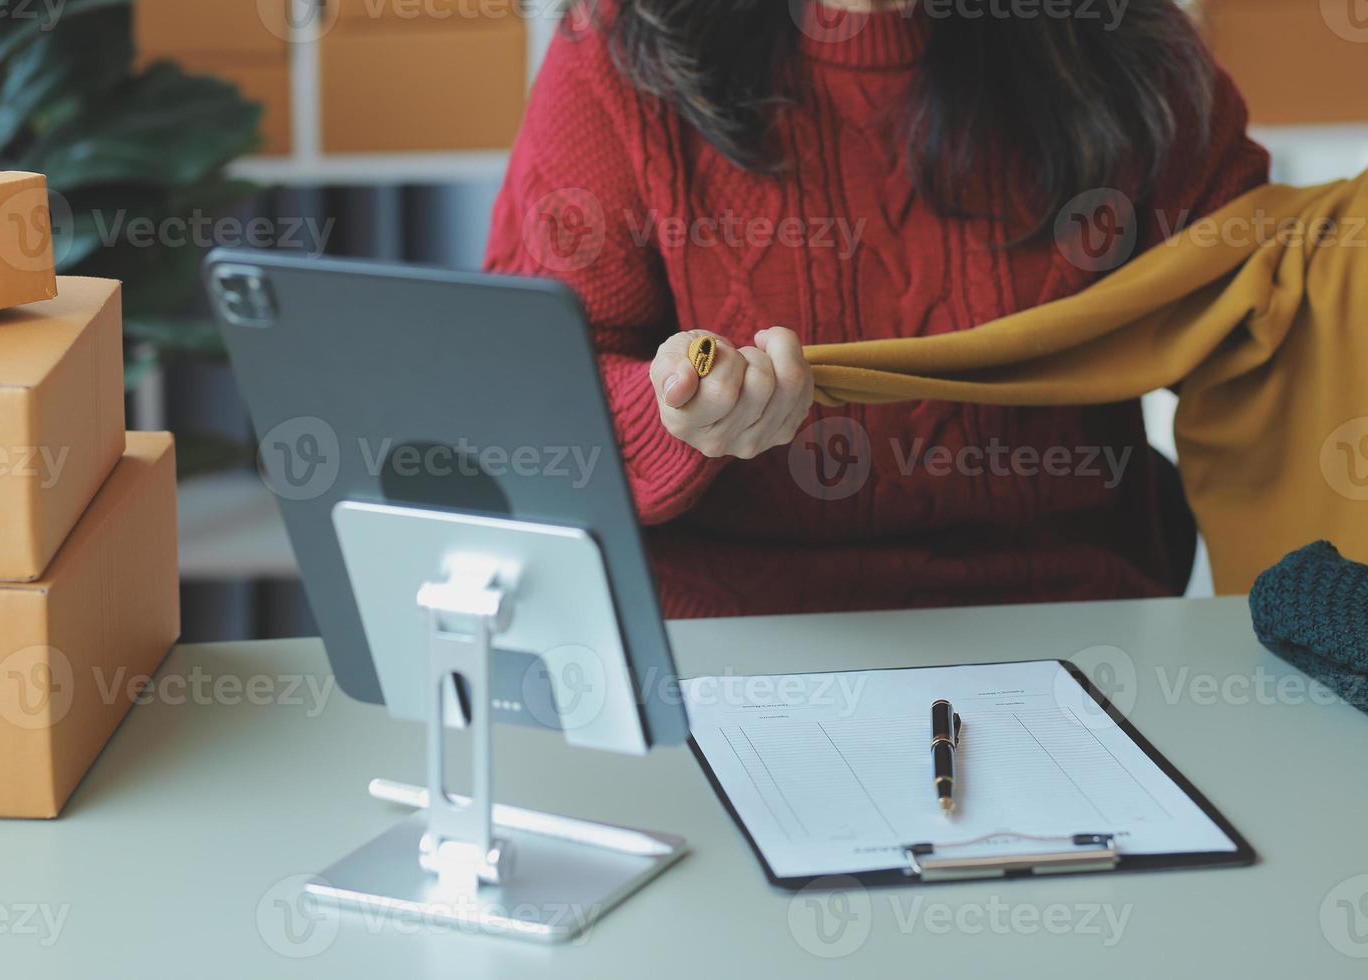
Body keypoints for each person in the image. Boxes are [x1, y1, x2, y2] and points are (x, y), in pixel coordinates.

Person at [484, 0, 1269, 619]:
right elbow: (527, 398)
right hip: (719, 644)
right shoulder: (624, 49)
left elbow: (1268, 328)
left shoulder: (1121, 39)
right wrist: (675, 415)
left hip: (1074, 629)